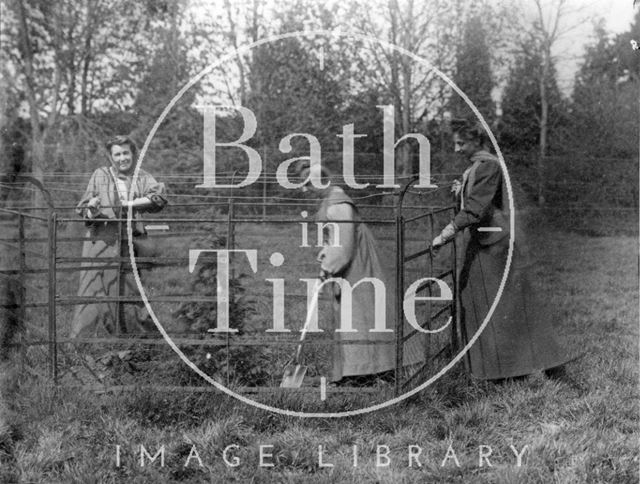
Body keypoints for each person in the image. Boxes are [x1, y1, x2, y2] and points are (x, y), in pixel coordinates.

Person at [432, 122, 567, 380]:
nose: (456, 148)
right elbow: (473, 201)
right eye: (455, 143)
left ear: (476, 142)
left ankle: (516, 369)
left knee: (502, 304)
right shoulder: (476, 167)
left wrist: (447, 232)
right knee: (489, 303)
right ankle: (504, 368)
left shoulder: (488, 165)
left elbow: (476, 208)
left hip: (494, 244)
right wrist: (458, 192)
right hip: (485, 242)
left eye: (461, 143)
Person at [295, 162, 423, 385]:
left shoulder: (338, 203)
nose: (305, 190)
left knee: (361, 315)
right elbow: (334, 239)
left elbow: (344, 245)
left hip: (356, 266)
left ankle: (367, 371)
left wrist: (329, 266)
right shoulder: (330, 200)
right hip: (349, 264)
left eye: (308, 184)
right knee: (355, 317)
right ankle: (361, 370)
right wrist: (325, 254)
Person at [70, 135, 167, 337]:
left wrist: (128, 205)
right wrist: (92, 208)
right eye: (117, 154)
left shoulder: (142, 177)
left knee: (133, 290)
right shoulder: (100, 175)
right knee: (96, 289)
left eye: (126, 153)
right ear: (111, 156)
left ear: (133, 154)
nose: (122, 158)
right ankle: (92, 341)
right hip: (101, 241)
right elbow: (84, 207)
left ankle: (138, 341)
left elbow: (158, 198)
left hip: (131, 241)